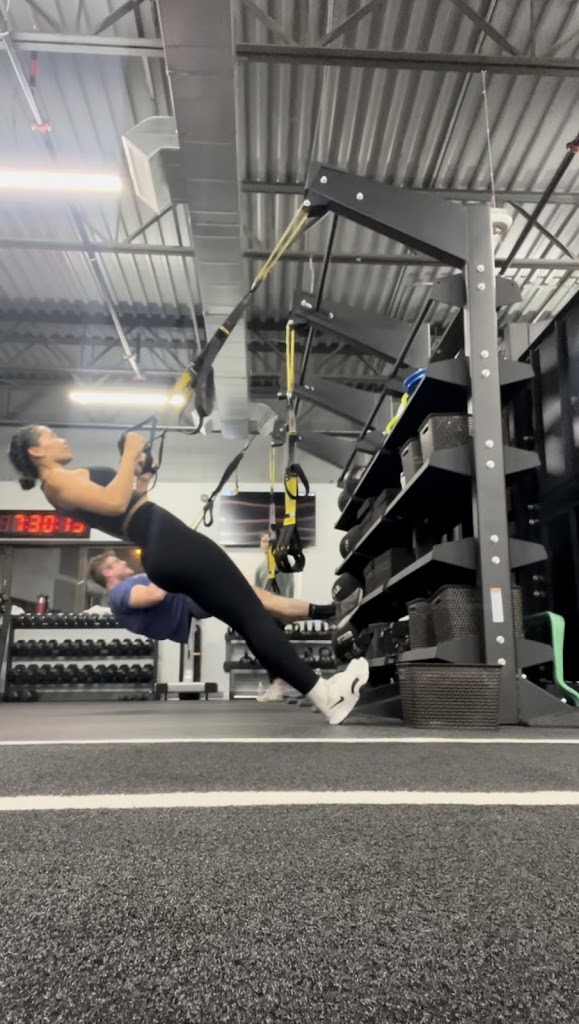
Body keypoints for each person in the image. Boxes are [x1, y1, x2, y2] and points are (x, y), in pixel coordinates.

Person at [8, 425, 369, 725]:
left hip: (162, 546)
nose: (61, 438)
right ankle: (326, 695)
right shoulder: (57, 482)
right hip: (170, 544)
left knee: (249, 619)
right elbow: (116, 503)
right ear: (36, 452)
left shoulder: (64, 482)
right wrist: (129, 452)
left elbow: (126, 505)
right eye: (50, 435)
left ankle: (321, 692)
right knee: (252, 615)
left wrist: (140, 476)